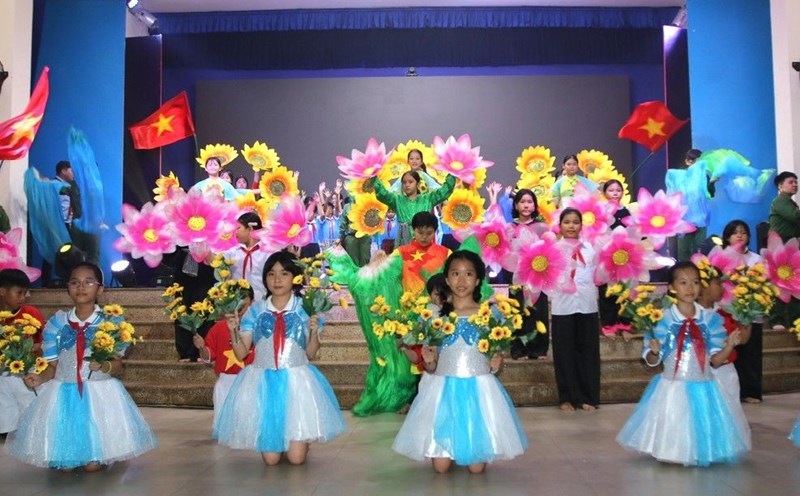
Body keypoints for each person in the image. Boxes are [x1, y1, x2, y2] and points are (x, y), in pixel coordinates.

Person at [7, 262, 157, 471]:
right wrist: (40, 378)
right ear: (67, 287)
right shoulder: (57, 323)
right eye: (75, 282)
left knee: (92, 466)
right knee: (65, 464)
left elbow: (118, 365)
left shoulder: (111, 323)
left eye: (88, 282)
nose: (81, 287)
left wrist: (104, 365)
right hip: (64, 392)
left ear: (100, 288)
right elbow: (52, 367)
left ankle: (102, 453)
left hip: (99, 392)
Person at [392, 250, 528, 473]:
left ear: (477, 280)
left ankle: (471, 444)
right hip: (443, 388)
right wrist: (429, 362)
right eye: (455, 273)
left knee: (476, 468)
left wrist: (496, 363)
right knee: (441, 468)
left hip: (478, 387)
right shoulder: (435, 315)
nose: (461, 280)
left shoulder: (490, 314)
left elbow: (495, 359)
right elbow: (432, 367)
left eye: (468, 274)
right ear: (447, 279)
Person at [214, 251, 346, 466]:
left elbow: (311, 353)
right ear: (264, 278)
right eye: (271, 274)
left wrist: (313, 331)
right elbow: (240, 353)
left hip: (297, 381)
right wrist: (233, 331)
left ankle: (301, 440)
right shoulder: (255, 311)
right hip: (262, 382)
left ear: (294, 278)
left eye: (284, 273)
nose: (277, 280)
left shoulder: (305, 309)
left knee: (296, 459)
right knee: (272, 461)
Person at [616, 261, 750, 466]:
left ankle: (700, 451)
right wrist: (653, 351)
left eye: (695, 282)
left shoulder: (709, 319)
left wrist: (730, 346)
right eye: (683, 282)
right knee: (676, 422)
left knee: (701, 424)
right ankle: (674, 451)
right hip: (673, 386)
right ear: (671, 287)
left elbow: (715, 361)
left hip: (705, 385)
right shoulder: (662, 319)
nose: (690, 288)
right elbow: (652, 361)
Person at [488, 183, 550, 360]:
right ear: (515, 205)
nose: (526, 205)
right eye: (522, 202)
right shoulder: (509, 228)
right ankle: (518, 349)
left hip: (537, 275)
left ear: (534, 205)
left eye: (530, 202)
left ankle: (539, 348)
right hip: (515, 275)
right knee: (517, 310)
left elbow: (549, 251)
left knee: (538, 310)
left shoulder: (542, 227)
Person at [547, 208, 600, 412]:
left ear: (581, 225)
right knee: (564, 353)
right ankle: (566, 397)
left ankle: (588, 397)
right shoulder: (554, 250)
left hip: (587, 306)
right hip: (563, 307)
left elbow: (598, 275)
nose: (571, 226)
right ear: (560, 226)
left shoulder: (590, 249)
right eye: (567, 222)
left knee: (588, 352)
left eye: (575, 222)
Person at [192, 287, 255, 427]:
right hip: (226, 381)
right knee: (224, 427)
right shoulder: (218, 328)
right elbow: (209, 357)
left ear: (252, 301)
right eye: (236, 299)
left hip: (251, 381)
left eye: (244, 298)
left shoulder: (258, 326)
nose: (240, 304)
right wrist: (201, 347)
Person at [722, 219, 765, 404]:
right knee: (732, 353)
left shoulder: (756, 259)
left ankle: (753, 391)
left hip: (751, 312)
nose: (739, 235)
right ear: (727, 237)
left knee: (752, 353)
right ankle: (733, 392)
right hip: (727, 311)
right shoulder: (720, 256)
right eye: (735, 232)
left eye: (743, 232)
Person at [0, 269, 44, 436]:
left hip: (29, 367)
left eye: (25, 293)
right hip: (3, 369)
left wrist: (34, 347)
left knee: (27, 395)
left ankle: (32, 427)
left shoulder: (31, 314)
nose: (23, 297)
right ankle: (6, 428)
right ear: (2, 292)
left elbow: (42, 341)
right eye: (19, 292)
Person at [369, 171, 456, 247]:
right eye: (404, 182)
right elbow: (383, 194)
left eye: (410, 182)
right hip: (404, 239)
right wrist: (373, 176)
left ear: (417, 184)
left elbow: (444, 191)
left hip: (424, 238)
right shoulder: (397, 200)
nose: (407, 185)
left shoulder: (428, 199)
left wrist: (452, 173)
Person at [598, 179, 633, 340]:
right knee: (607, 292)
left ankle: (625, 324)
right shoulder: (601, 211)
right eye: (611, 190)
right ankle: (609, 324)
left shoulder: (627, 211)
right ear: (605, 193)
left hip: (624, 258)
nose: (615, 193)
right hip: (606, 257)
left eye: (618, 190)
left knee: (625, 290)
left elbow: (634, 232)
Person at [667, 149, 713, 260]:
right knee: (684, 249)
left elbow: (710, 194)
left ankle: (700, 271)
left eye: (700, 162)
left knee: (700, 246)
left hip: (700, 218)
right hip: (684, 218)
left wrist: (712, 182)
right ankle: (684, 272)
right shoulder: (680, 177)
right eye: (694, 162)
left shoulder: (705, 177)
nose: (697, 165)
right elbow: (672, 194)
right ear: (687, 161)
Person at [768, 171, 800, 331]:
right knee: (779, 285)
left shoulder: (790, 203)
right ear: (780, 186)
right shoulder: (780, 201)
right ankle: (776, 320)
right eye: (791, 182)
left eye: (796, 182)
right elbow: (795, 218)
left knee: (795, 286)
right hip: (780, 250)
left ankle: (796, 320)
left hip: (791, 251)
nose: (795, 184)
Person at [222, 211, 270, 301]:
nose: (235, 232)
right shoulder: (233, 250)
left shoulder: (268, 252)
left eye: (238, 228)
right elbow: (216, 262)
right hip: (235, 302)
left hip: (260, 302)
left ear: (250, 229)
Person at [340, 198, 371, 267]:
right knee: (352, 262)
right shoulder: (347, 207)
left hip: (364, 236)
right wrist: (340, 237)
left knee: (365, 260)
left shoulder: (367, 204)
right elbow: (343, 224)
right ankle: (353, 277)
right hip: (351, 237)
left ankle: (364, 277)